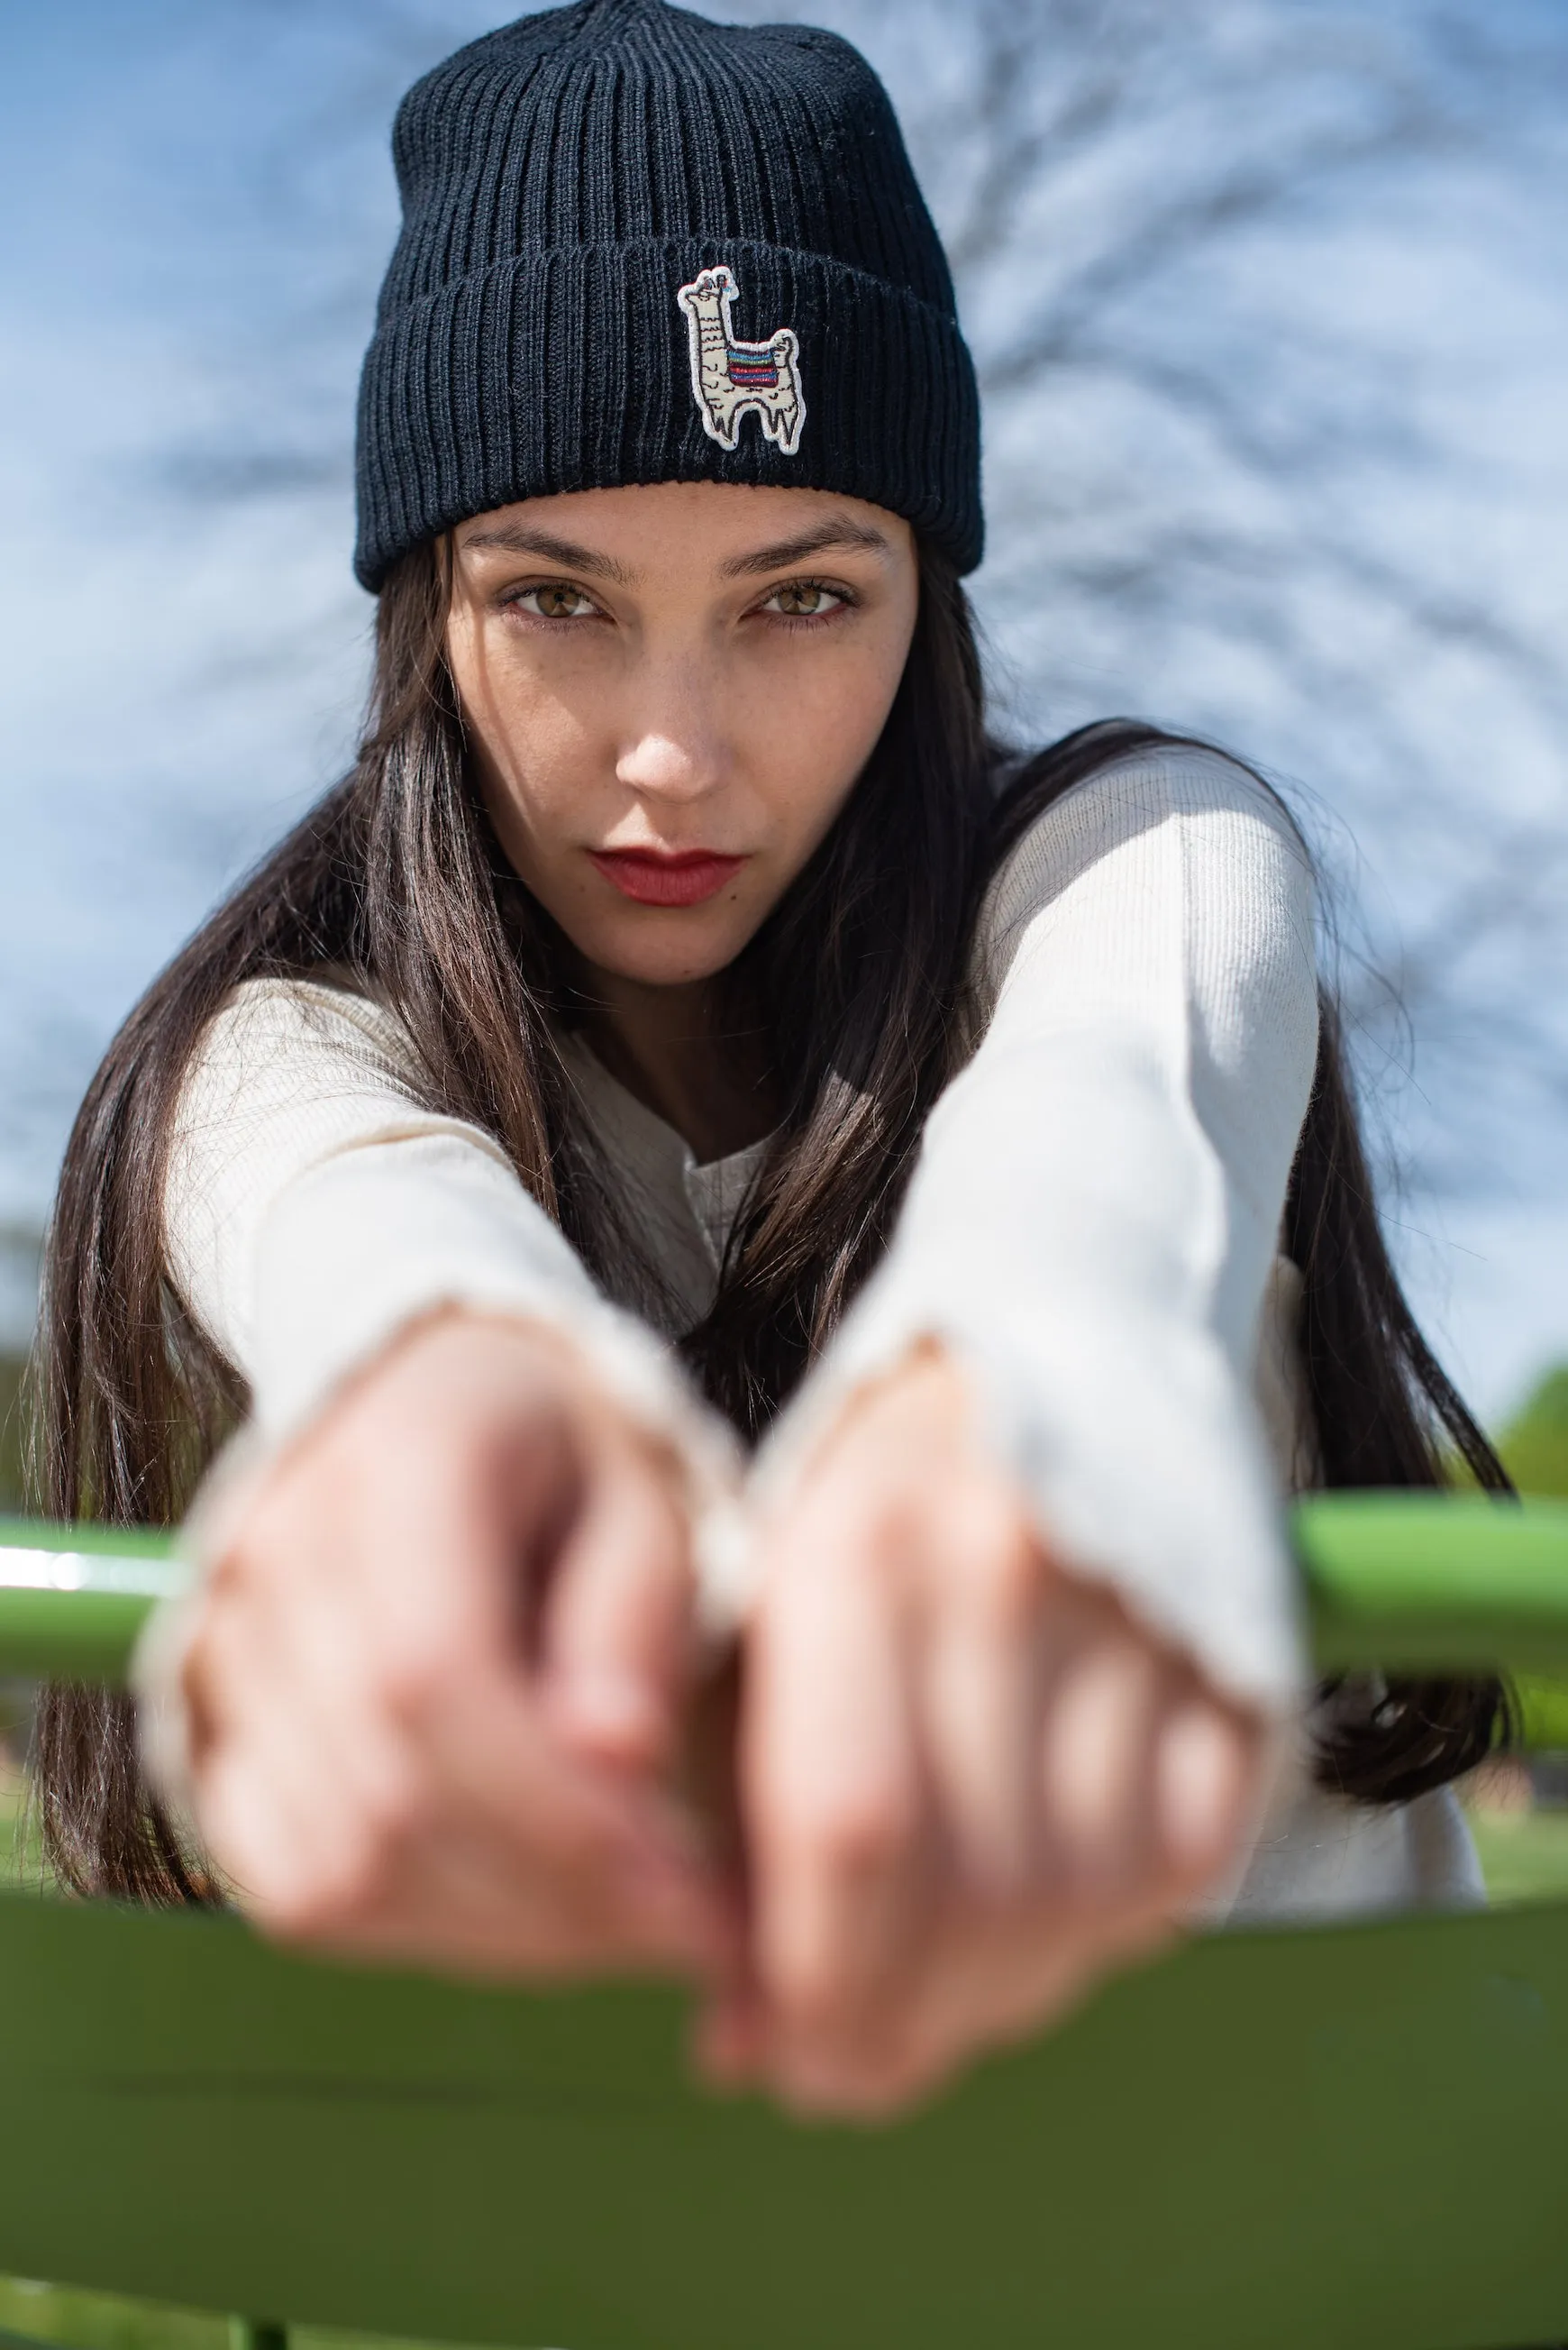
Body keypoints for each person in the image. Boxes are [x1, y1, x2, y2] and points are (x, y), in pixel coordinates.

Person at [34, 0, 1507, 2117]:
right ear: (423, 613)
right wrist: (445, 1390)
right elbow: (364, 1230)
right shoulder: (265, 1057)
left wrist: (1015, 1395)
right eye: (557, 599)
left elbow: (1118, 1114)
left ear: (931, 597)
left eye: (803, 599)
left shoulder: (1146, 855)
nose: (674, 751)